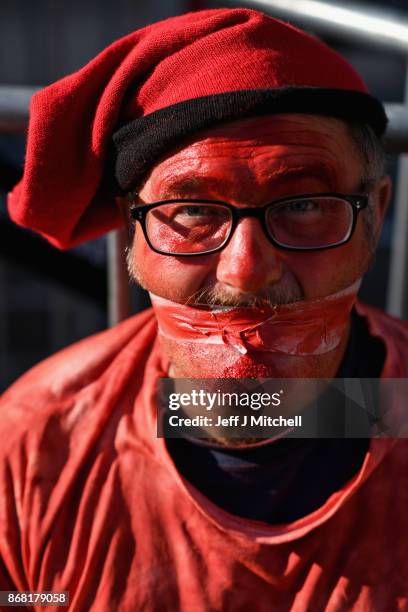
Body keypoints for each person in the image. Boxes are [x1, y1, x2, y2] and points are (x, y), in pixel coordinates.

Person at [1, 8, 408, 611]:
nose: (245, 271)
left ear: (374, 213)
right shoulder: (37, 445)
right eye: (193, 210)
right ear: (131, 229)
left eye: (302, 205)